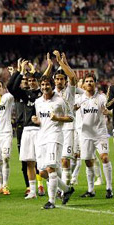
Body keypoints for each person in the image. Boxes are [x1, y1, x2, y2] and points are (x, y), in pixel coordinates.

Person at [32, 75, 74, 209]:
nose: (45, 87)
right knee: (43, 172)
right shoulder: (37, 102)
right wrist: (36, 121)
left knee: (51, 168)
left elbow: (71, 117)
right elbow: (41, 120)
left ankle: (52, 201)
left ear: (52, 85)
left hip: (55, 137)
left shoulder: (60, 101)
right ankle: (67, 189)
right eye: (42, 85)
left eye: (47, 85)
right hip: (41, 138)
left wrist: (57, 118)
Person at [8, 58, 47, 199]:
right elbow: (11, 87)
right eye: (29, 81)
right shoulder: (26, 95)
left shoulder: (43, 94)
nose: (31, 83)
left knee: (43, 163)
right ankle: (32, 191)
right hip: (27, 130)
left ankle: (58, 186)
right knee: (29, 162)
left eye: (33, 80)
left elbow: (46, 80)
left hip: (41, 130)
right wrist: (20, 71)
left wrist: (34, 71)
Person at [75, 73, 113, 199]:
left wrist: (109, 112)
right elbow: (71, 110)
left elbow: (109, 110)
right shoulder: (80, 99)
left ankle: (109, 188)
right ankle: (91, 190)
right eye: (87, 81)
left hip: (100, 134)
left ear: (95, 83)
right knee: (88, 161)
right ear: (84, 84)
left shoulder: (102, 98)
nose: (89, 83)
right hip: (86, 135)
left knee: (104, 158)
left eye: (91, 81)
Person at [52, 51, 77, 186]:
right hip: (55, 129)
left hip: (68, 128)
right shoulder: (51, 93)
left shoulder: (70, 91)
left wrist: (61, 63)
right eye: (57, 79)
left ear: (64, 81)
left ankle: (65, 189)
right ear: (54, 80)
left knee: (65, 160)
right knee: (55, 161)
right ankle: (65, 188)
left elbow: (72, 77)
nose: (59, 81)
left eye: (62, 79)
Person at [0, 80, 14, 195]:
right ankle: (0, 186)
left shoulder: (6, 98)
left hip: (6, 133)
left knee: (6, 158)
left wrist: (12, 76)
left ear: (3, 88)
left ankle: (5, 185)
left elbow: (13, 90)